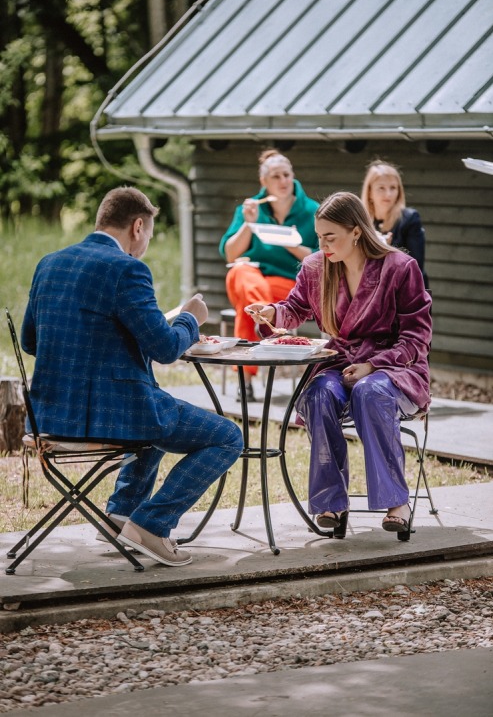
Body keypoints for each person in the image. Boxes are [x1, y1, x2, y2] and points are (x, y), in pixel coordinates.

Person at [21, 186, 243, 567]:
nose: (145, 246)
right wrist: (190, 317)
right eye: (150, 236)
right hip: (112, 416)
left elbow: (30, 340)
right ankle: (152, 525)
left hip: (49, 417)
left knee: (155, 411)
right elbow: (165, 348)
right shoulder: (128, 269)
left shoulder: (50, 262)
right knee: (228, 436)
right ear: (137, 226)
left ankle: (120, 514)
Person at [246, 192, 432, 539]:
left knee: (370, 392)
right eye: (319, 237)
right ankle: (331, 501)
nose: (323, 244)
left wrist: (373, 365)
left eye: (330, 237)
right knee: (319, 393)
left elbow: (417, 338)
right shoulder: (317, 267)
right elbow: (295, 307)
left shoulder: (400, 268)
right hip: (340, 362)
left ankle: (396, 503)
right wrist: (273, 312)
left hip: (395, 368)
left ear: (357, 231)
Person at [219, 148, 319, 401]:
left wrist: (287, 240)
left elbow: (321, 258)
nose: (283, 181)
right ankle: (269, 328)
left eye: (287, 174)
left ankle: (246, 377)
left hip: (286, 285)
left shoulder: (312, 211)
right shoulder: (251, 208)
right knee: (243, 271)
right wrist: (248, 224)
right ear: (264, 182)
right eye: (276, 176)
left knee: (249, 306)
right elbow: (230, 254)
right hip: (248, 277)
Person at [361, 159, 429, 288]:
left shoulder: (410, 218)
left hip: (407, 294)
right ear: (369, 192)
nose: (388, 194)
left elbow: (416, 266)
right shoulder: (362, 221)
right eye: (381, 188)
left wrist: (386, 251)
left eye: (393, 188)